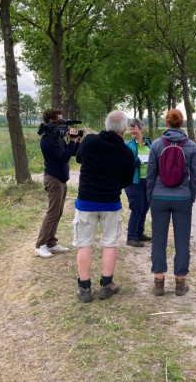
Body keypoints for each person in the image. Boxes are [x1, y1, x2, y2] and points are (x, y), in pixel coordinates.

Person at [72, 111, 135, 303]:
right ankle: (106, 285)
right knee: (110, 243)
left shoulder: (90, 141)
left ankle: (84, 287)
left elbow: (78, 158)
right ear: (124, 129)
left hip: (86, 201)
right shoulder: (125, 152)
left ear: (107, 125)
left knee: (84, 243)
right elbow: (127, 180)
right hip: (110, 202)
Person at [147, 109, 196, 296]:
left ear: (167, 123)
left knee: (158, 239)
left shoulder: (157, 144)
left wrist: (150, 196)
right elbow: (195, 176)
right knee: (182, 240)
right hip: (182, 198)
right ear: (182, 123)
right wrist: (191, 196)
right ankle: (180, 282)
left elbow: (151, 174)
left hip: (159, 197)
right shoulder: (191, 146)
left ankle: (159, 282)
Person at [35, 108, 81, 258]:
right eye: (58, 121)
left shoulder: (57, 137)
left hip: (61, 178)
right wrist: (72, 141)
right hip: (53, 179)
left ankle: (51, 242)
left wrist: (76, 141)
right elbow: (64, 157)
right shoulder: (48, 140)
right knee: (52, 213)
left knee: (58, 212)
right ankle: (40, 244)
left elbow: (71, 152)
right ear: (50, 122)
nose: (61, 125)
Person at [125, 118, 152, 248]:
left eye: (134, 129)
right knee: (137, 208)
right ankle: (131, 237)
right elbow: (126, 164)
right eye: (130, 129)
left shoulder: (149, 144)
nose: (132, 131)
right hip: (133, 182)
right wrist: (139, 159)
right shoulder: (129, 146)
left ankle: (140, 233)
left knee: (145, 208)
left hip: (148, 181)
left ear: (141, 129)